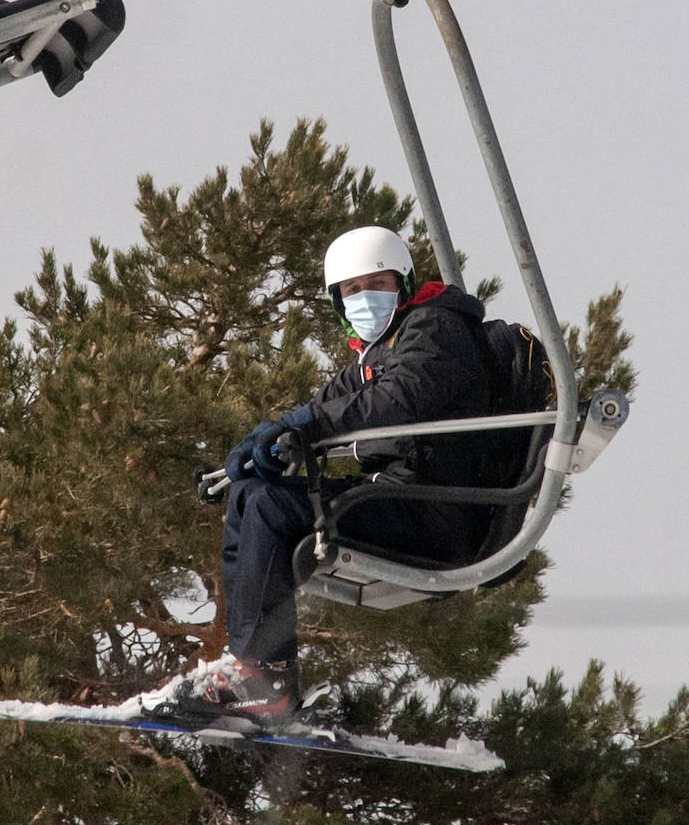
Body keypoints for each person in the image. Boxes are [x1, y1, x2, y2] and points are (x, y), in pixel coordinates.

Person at [158, 225, 494, 722]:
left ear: (403, 282)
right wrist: (262, 447)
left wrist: (306, 425)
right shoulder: (375, 352)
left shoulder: (436, 330)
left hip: (439, 512)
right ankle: (251, 664)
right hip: (397, 503)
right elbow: (325, 407)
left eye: (376, 284)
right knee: (252, 493)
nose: (365, 298)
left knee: (273, 506)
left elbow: (397, 399)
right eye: (352, 291)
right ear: (338, 304)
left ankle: (265, 677)